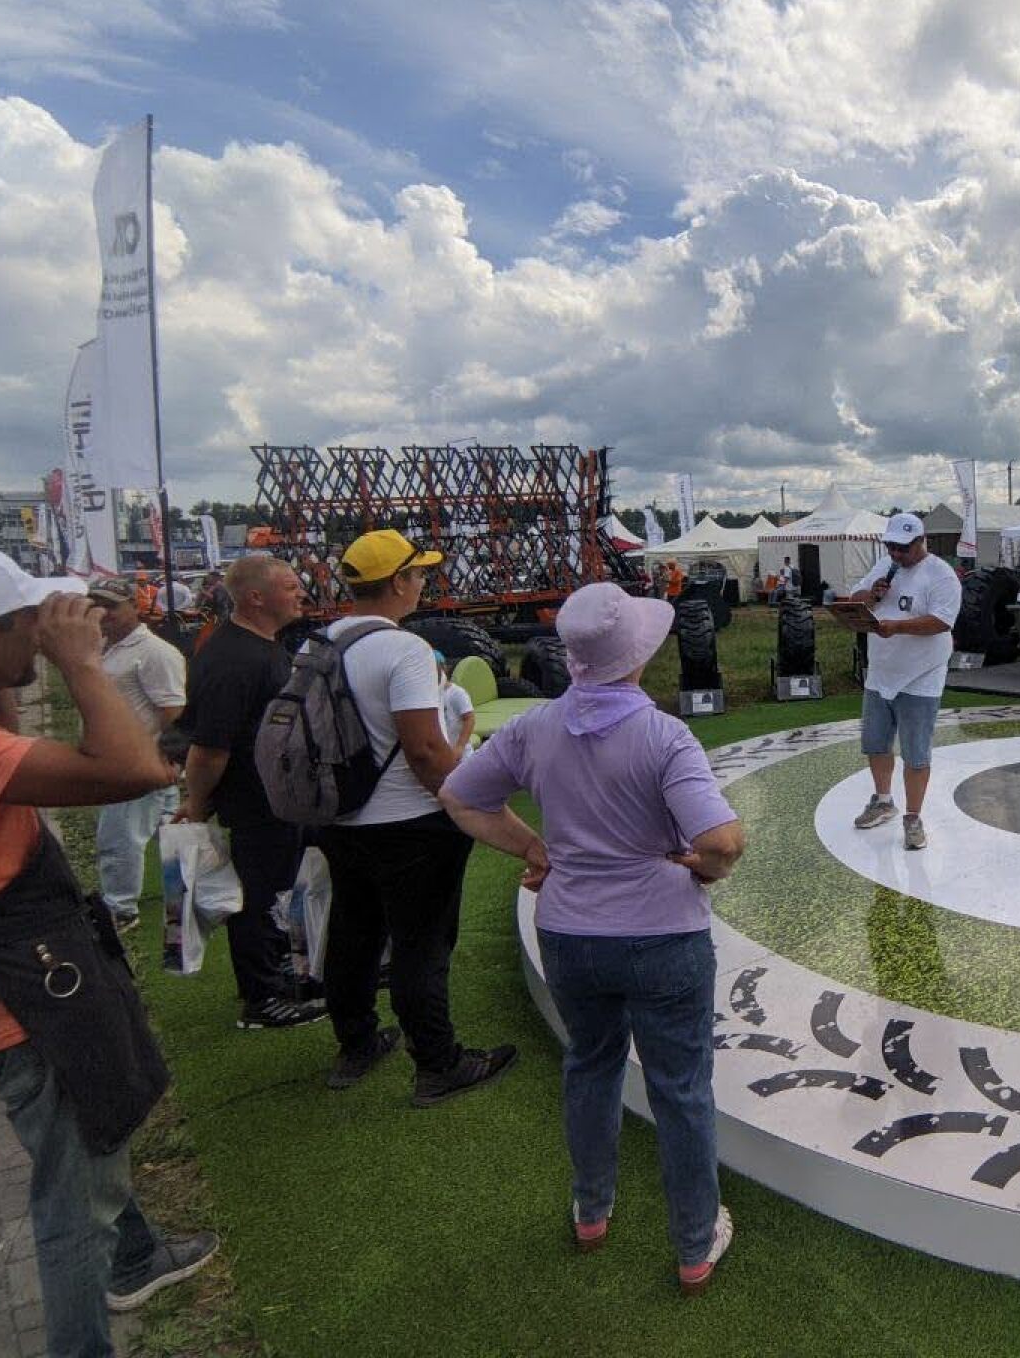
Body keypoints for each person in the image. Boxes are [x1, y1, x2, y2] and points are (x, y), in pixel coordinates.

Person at [441, 581, 743, 1292]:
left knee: (591, 1065)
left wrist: (533, 849)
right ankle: (694, 1242)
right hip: (663, 936)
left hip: (569, 933)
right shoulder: (664, 735)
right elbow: (723, 841)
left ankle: (591, 1209)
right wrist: (701, 870)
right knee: (681, 1089)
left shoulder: (534, 727)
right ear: (638, 653)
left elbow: (460, 796)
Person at [0, 545, 218, 1353]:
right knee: (74, 1199)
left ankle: (137, 1255)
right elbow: (135, 767)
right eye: (28, 620)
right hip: (19, 993)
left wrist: (7, 666)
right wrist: (80, 663)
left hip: (22, 968)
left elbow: (6, 732)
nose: (47, 629)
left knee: (91, 1128)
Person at [315, 530, 515, 1104]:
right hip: (411, 825)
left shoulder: (320, 643)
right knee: (421, 944)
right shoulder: (405, 650)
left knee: (353, 933)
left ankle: (356, 1044)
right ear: (399, 582)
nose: (424, 582)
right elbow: (425, 750)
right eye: (419, 573)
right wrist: (465, 802)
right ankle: (437, 1063)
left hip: (339, 818)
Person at [176, 555, 327, 1029]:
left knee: (281, 890)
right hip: (256, 803)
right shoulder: (234, 658)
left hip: (279, 799)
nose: (301, 594)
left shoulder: (263, 647)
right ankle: (261, 999)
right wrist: (196, 805)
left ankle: (282, 974)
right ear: (256, 597)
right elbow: (208, 748)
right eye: (290, 587)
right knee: (257, 898)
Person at [842, 513, 961, 851]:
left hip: (921, 677)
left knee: (915, 753)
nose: (896, 553)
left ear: (921, 541)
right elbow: (854, 600)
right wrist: (870, 596)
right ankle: (883, 801)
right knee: (876, 744)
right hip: (880, 674)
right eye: (891, 546)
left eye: (903, 548)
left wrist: (897, 627)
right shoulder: (884, 566)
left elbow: (942, 621)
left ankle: (913, 817)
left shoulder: (941, 575)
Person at [88, 577, 185, 932]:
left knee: (119, 836)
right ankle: (191, 892)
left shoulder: (154, 651)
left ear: (134, 605)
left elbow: (173, 709)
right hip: (122, 757)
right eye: (97, 605)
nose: (104, 613)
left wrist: (161, 755)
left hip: (139, 760)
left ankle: (120, 908)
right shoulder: (105, 646)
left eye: (112, 606)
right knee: (171, 829)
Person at [434, 649, 475, 751]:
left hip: (460, 753)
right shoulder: (427, 695)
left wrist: (460, 746)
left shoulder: (456, 693)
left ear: (443, 668)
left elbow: (469, 719)